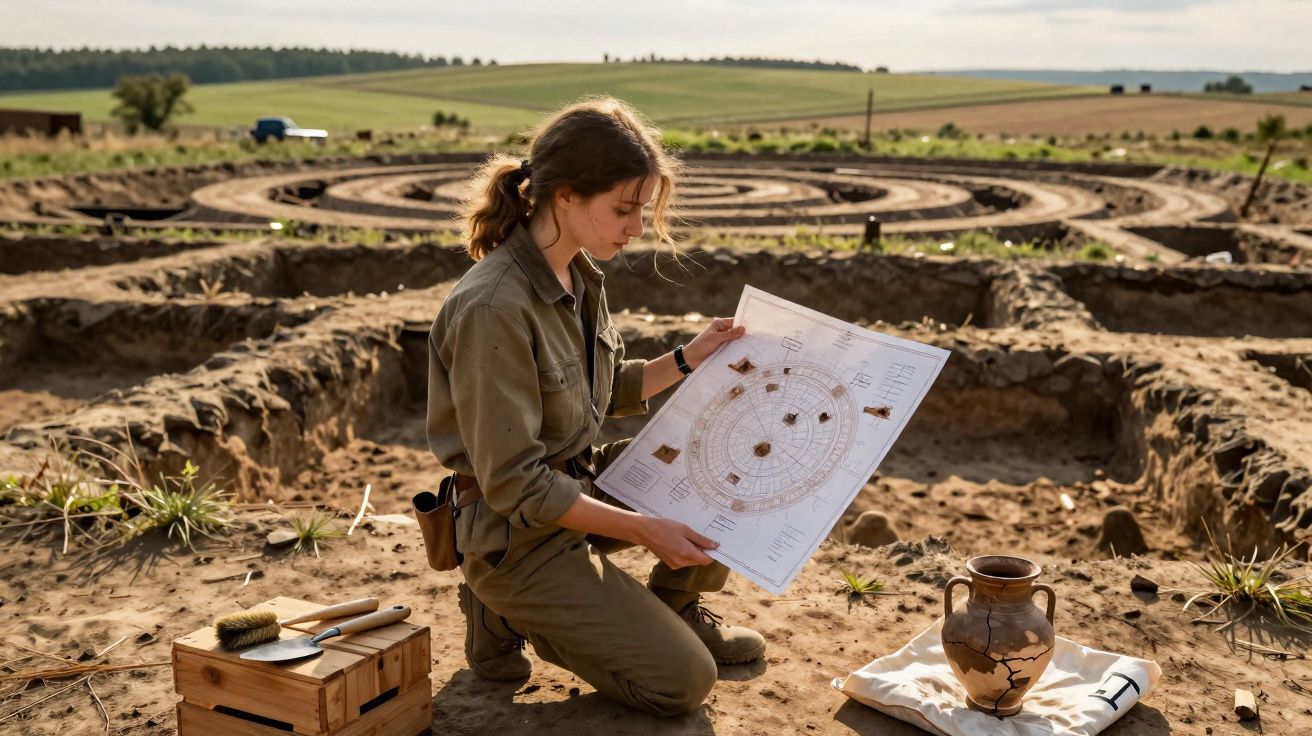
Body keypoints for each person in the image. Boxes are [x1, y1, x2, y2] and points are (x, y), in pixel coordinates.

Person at [425, 97, 766, 717]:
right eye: (623, 208)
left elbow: (599, 391)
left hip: (576, 485)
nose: (636, 228)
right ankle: (505, 608)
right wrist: (646, 529)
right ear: (565, 196)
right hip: (516, 535)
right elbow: (517, 485)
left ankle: (673, 610)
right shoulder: (493, 308)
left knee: (716, 463)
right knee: (682, 683)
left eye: (643, 210)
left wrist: (690, 357)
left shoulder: (577, 274)